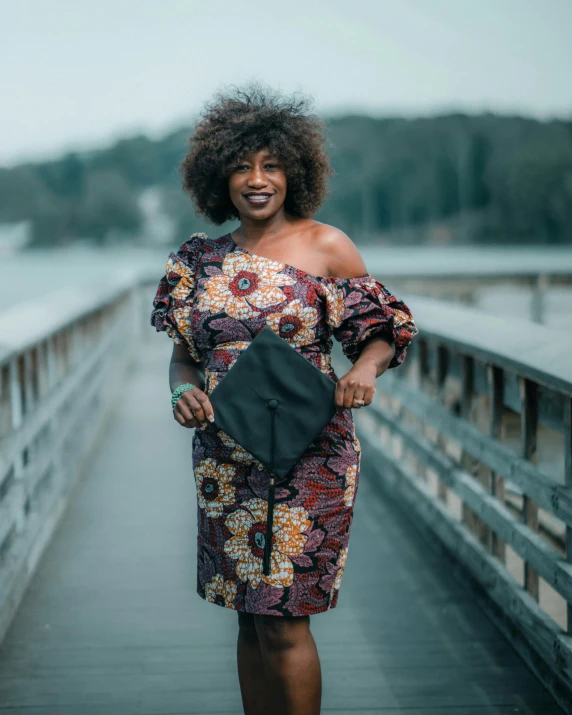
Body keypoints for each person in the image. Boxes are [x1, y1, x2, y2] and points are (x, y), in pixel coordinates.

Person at [150, 81, 418, 715]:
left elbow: (383, 332)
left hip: (311, 456)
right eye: (242, 166)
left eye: (271, 164)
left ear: (294, 170)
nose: (257, 179)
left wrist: (367, 371)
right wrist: (183, 392)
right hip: (226, 456)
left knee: (286, 620)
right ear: (219, 178)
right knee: (248, 616)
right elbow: (183, 357)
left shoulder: (328, 246)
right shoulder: (197, 262)